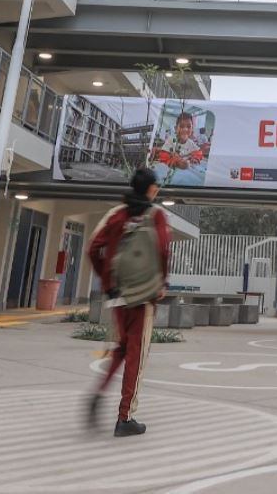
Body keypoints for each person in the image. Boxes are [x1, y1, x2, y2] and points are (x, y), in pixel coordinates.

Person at [87, 167, 171, 437]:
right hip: (143, 296)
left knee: (121, 349)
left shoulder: (116, 214)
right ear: (150, 189)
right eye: (155, 186)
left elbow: (92, 248)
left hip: (118, 296)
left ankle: (99, 392)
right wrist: (161, 283)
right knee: (136, 354)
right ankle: (125, 417)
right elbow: (163, 250)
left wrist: (107, 280)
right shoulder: (156, 215)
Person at [152, 109, 209, 185]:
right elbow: (164, 155)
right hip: (171, 167)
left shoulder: (191, 143)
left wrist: (194, 158)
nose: (185, 129)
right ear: (176, 128)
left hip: (187, 168)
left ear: (192, 129)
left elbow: (198, 152)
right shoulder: (171, 140)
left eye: (189, 127)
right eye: (181, 126)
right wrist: (175, 161)